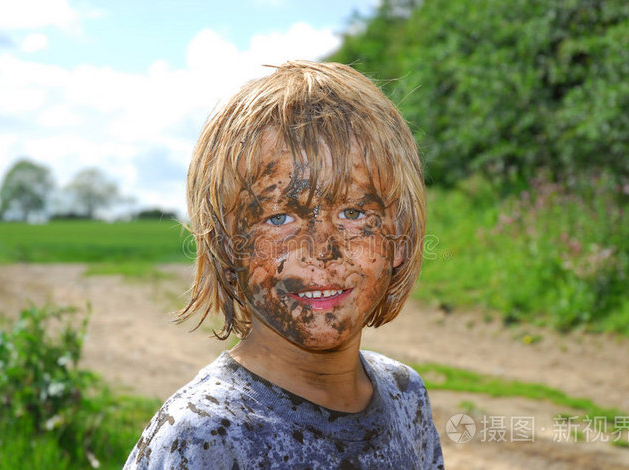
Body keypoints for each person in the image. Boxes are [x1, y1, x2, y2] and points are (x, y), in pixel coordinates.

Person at [124, 60, 445, 469]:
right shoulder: (203, 436)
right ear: (227, 244)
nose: (322, 251)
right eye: (280, 218)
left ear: (398, 236)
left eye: (353, 212)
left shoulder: (406, 395)